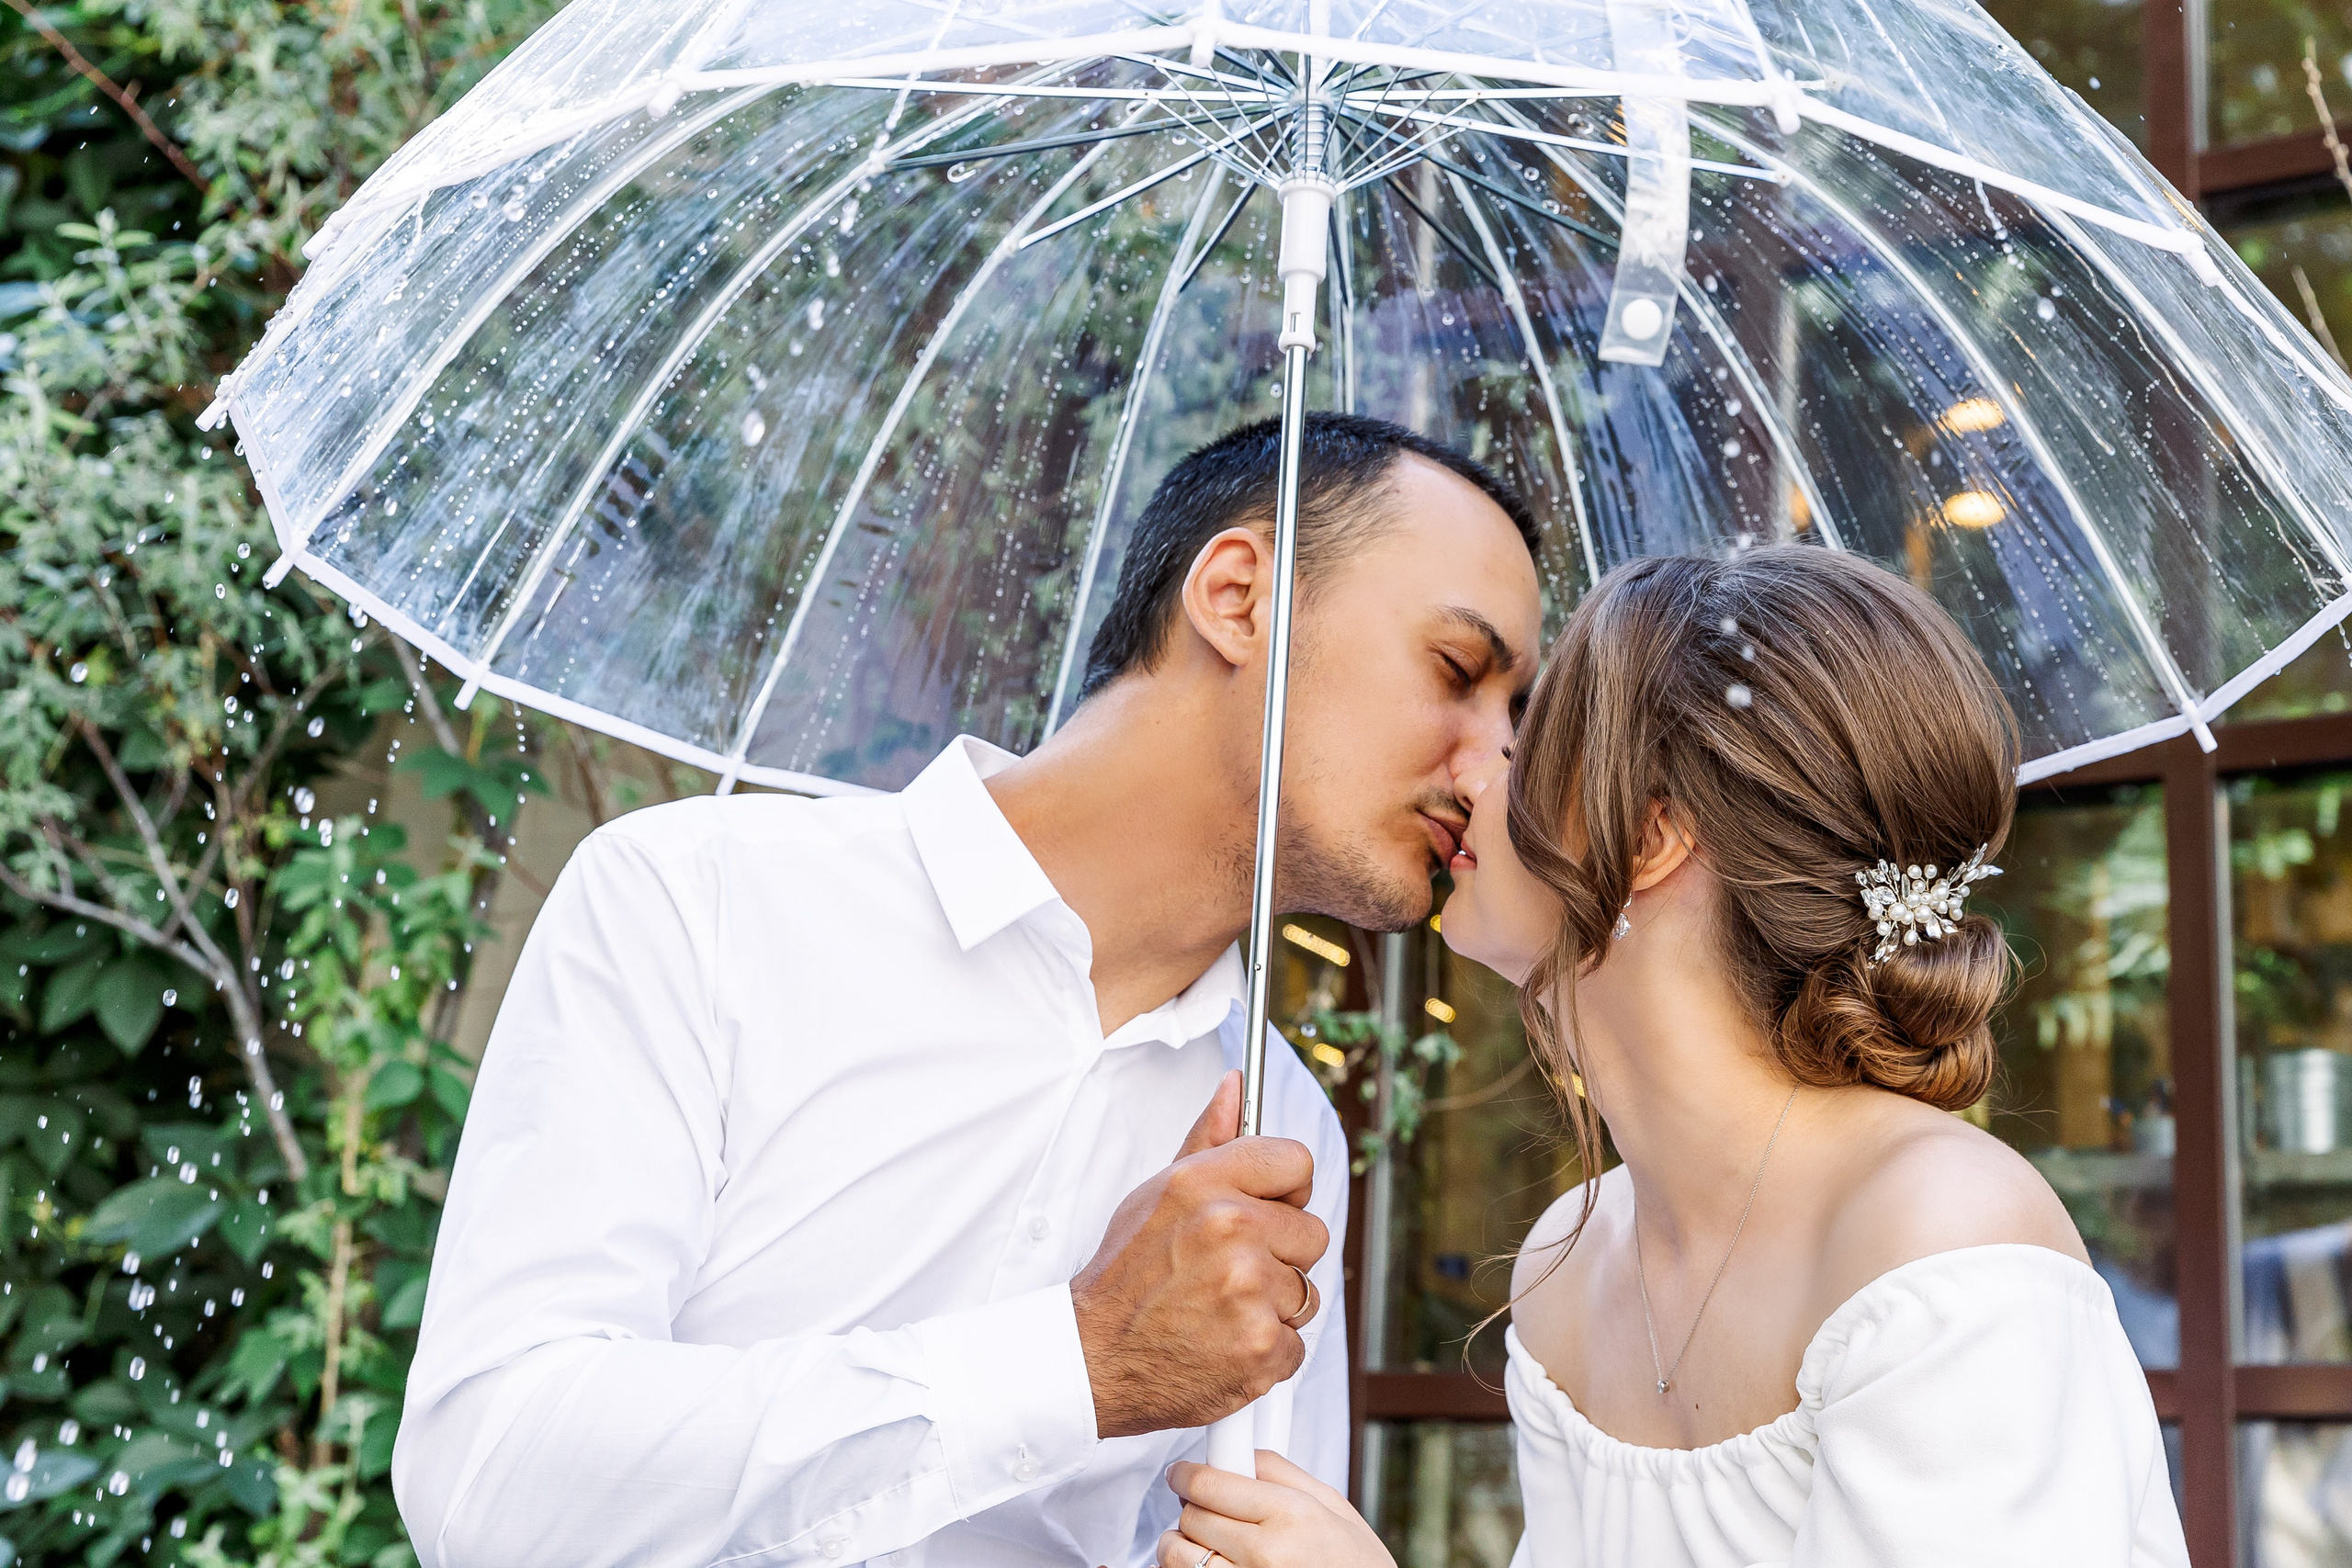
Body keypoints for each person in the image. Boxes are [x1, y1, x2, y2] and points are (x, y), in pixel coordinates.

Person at [390, 412, 1546, 1568]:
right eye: (1456, 671)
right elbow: (491, 1482)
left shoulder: (1279, 1128)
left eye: (1515, 716)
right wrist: (1078, 1363)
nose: (1495, 765)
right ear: (1238, 597)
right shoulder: (699, 907)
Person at [1157, 547, 2188, 1567]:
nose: (1473, 775)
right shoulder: (1579, 1260)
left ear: (1649, 833)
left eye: (1526, 745)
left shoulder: (1938, 1243)